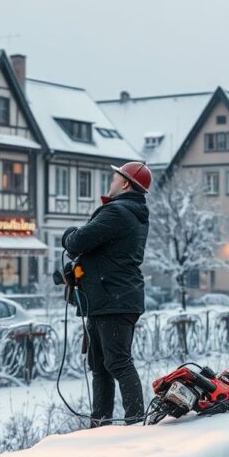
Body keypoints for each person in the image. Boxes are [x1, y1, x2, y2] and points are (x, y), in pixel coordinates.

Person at [62, 161, 151, 425]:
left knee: (117, 363)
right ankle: (100, 424)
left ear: (125, 183)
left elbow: (78, 241)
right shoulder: (131, 212)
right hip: (109, 299)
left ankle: (136, 422)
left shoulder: (118, 212)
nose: (111, 182)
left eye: (115, 178)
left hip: (113, 300)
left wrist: (69, 234)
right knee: (100, 366)